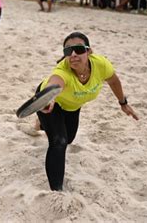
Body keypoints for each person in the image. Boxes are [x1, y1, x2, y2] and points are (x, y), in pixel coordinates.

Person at [28, 32, 138, 191]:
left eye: (78, 49)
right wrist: (48, 99)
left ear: (89, 51)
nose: (73, 54)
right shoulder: (62, 71)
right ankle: (57, 192)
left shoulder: (101, 65)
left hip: (72, 105)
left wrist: (123, 103)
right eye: (67, 51)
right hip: (51, 102)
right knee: (59, 141)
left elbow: (113, 80)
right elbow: (54, 83)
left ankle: (41, 124)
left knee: (69, 138)